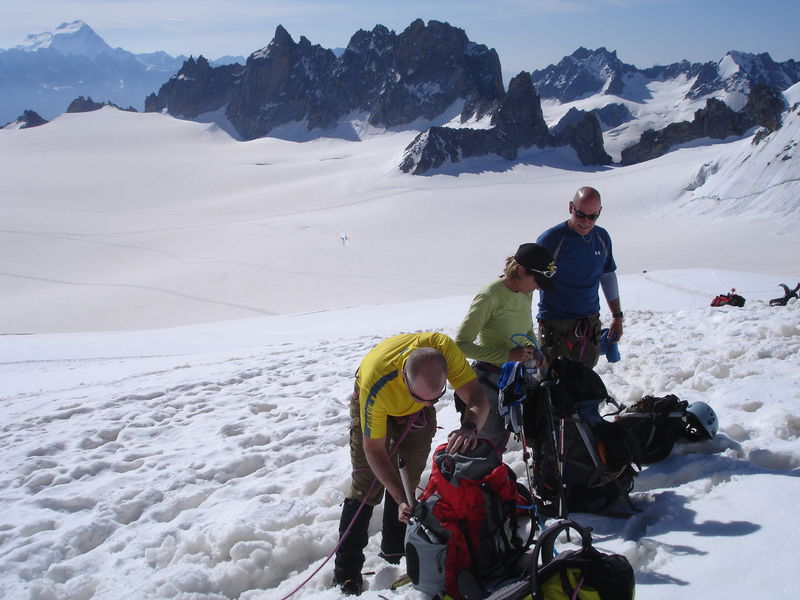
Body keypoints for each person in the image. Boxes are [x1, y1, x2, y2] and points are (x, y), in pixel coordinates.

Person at [333, 332, 489, 596]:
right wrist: (397, 494)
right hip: (376, 400)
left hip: (412, 413)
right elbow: (374, 449)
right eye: (422, 398)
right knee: (367, 486)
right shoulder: (378, 383)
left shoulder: (443, 350)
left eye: (435, 400)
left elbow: (477, 397)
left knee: (409, 479)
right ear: (405, 377)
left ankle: (396, 551)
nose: (429, 404)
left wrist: (470, 428)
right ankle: (346, 574)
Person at [455, 243, 556, 451]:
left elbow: (526, 329)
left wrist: (535, 349)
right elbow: (461, 345)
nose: (538, 287)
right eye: (537, 280)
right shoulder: (489, 297)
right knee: (485, 445)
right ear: (521, 271)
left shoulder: (524, 291)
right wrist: (506, 355)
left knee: (507, 439)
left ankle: (496, 481)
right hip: (488, 381)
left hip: (515, 379)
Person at [536, 186, 623, 368]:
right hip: (555, 324)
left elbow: (607, 276)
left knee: (584, 381)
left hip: (589, 324)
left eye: (592, 217)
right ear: (570, 208)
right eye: (580, 215)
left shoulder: (602, 238)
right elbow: (531, 280)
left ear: (599, 213)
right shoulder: (551, 240)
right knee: (554, 384)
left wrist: (617, 316)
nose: (586, 222)